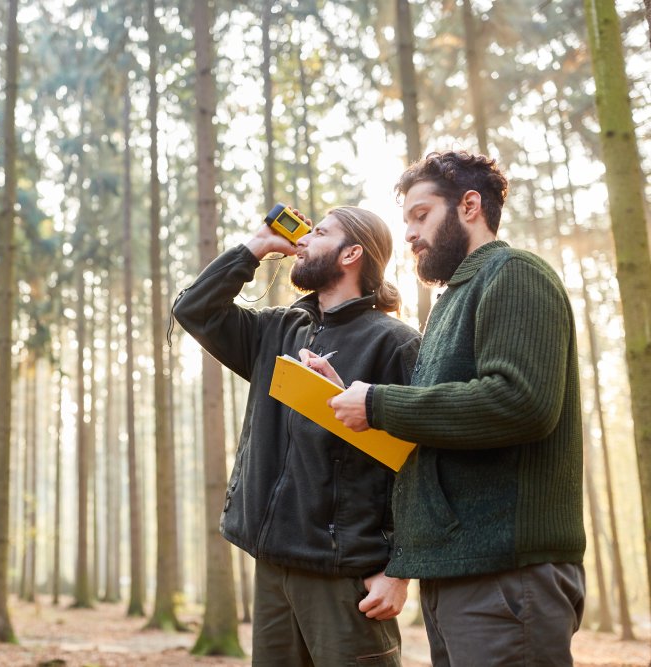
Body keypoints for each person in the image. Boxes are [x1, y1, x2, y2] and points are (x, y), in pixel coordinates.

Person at [324, 151, 586, 666]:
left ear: (470, 205)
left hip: (507, 574)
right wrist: (344, 395)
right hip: (456, 571)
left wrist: (378, 403)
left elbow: (520, 402)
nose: (411, 235)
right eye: (406, 222)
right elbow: (435, 425)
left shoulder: (513, 274)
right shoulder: (450, 304)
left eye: (421, 215)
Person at [173, 205, 421, 665]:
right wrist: (255, 246)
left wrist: (399, 570)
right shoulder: (276, 330)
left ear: (351, 254)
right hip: (273, 565)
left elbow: (417, 463)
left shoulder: (395, 342)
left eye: (319, 233)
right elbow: (194, 309)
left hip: (346, 575)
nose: (302, 240)